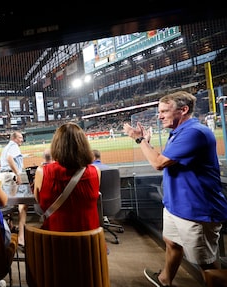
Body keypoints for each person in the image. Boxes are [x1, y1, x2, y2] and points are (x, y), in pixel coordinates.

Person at [123, 91, 227, 287]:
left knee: (206, 262)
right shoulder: (179, 132)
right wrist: (147, 142)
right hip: (177, 205)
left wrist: (139, 140)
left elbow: (159, 163)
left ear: (183, 110)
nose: (159, 116)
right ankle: (164, 279)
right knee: (172, 243)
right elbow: (167, 159)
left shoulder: (194, 133)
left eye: (164, 111)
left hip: (197, 209)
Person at [33, 122, 101, 231]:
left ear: (56, 145)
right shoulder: (95, 171)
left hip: (54, 241)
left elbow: (38, 201)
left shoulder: (42, 172)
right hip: (89, 243)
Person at [0, 131, 26, 247]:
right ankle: (21, 237)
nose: (22, 140)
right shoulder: (14, 147)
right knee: (21, 204)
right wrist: (17, 174)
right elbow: (10, 159)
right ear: (14, 138)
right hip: (10, 176)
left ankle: (9, 227)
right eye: (20, 137)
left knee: (7, 204)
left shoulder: (6, 147)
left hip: (2, 176)